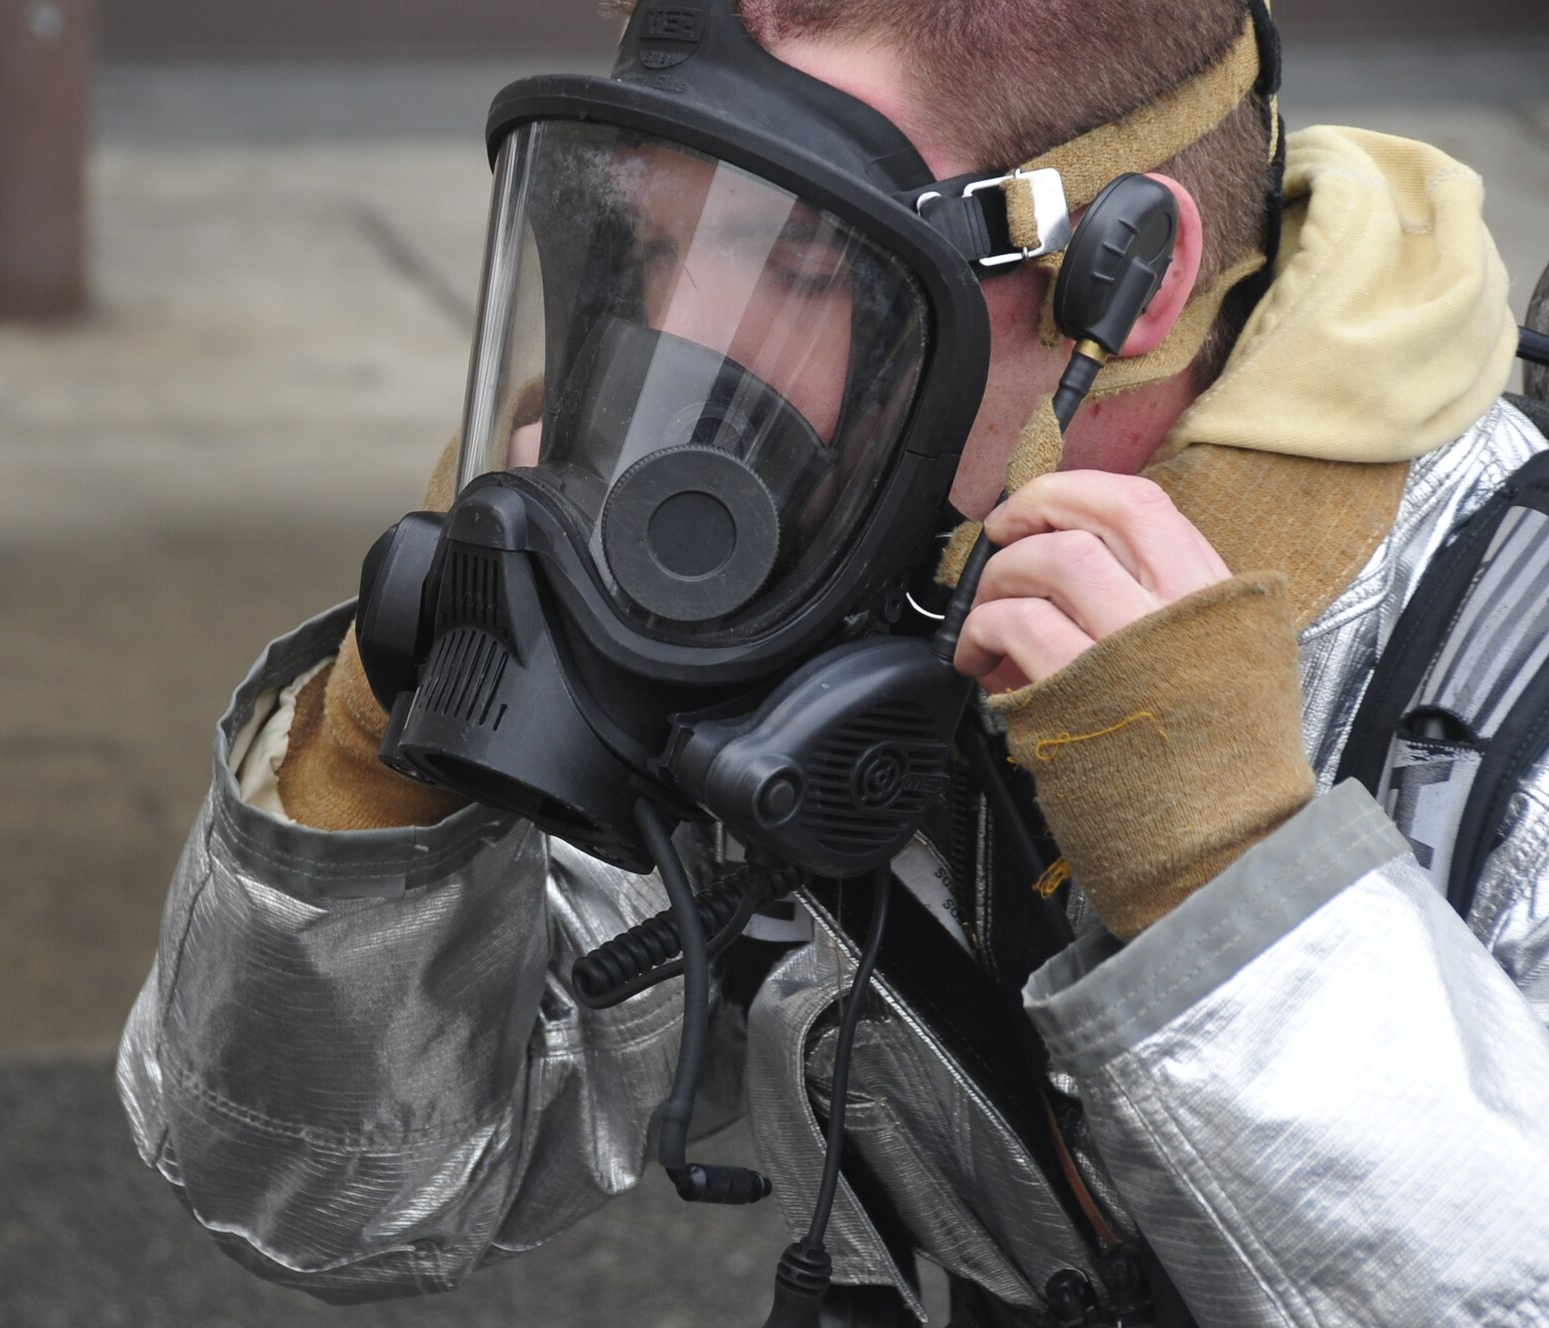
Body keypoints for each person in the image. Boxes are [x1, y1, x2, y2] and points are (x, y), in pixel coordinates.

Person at [115, 1, 1549, 1323]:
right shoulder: (844, 576)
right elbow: (336, 1193)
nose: (677, 349)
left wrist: (1227, 885)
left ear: (1129, 277)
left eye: (796, 260)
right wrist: (383, 752)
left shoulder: (1504, 660)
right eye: (645, 243)